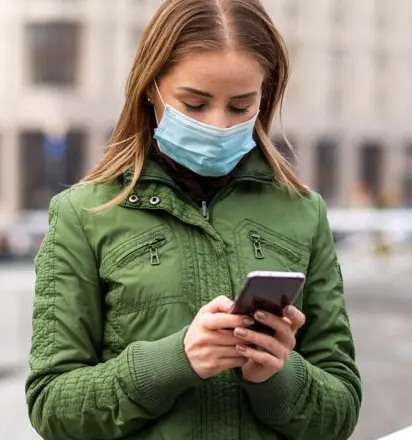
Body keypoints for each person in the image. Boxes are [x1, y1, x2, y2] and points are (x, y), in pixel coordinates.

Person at [25, 1, 361, 439]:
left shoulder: (303, 212)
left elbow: (341, 410)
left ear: (266, 96)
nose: (218, 124)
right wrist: (174, 361)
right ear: (151, 87)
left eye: (241, 106)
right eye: (195, 103)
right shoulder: (83, 215)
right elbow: (52, 407)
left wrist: (277, 375)